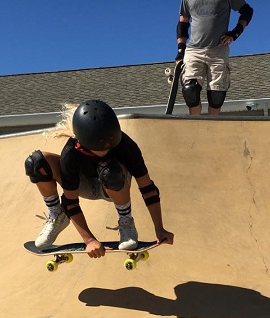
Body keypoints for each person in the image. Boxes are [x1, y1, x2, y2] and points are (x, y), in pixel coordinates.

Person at [24, 99, 174, 257]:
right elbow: (70, 202)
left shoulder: (126, 145)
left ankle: (126, 222)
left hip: (113, 186)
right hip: (84, 186)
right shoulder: (71, 153)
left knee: (110, 170)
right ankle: (57, 215)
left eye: (110, 146)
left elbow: (148, 188)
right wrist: (89, 240)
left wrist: (159, 228)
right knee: (36, 163)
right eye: (99, 148)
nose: (105, 150)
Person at [175, 0, 254, 116]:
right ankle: (196, 127)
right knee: (190, 91)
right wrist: (180, 50)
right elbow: (183, 22)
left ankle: (211, 129)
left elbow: (247, 11)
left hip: (218, 50)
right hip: (194, 50)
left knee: (216, 95)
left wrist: (236, 32)